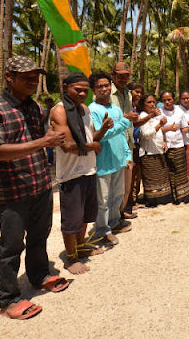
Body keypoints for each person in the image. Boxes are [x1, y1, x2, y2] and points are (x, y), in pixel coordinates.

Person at [0, 56, 70, 320]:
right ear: (9, 77)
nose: (33, 81)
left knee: (39, 236)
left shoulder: (35, 107)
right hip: (10, 191)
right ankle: (9, 299)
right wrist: (44, 142)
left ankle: (39, 275)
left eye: (35, 76)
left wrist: (50, 141)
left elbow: (42, 139)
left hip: (39, 184)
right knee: (11, 246)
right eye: (26, 76)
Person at [49, 73, 108, 275]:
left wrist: (103, 131)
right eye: (78, 89)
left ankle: (81, 248)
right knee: (72, 219)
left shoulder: (84, 110)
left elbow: (91, 137)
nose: (83, 93)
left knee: (84, 216)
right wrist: (92, 146)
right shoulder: (59, 111)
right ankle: (71, 258)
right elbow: (67, 145)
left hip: (89, 169)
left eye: (85, 90)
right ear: (65, 87)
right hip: (71, 174)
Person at [89, 71, 133, 246]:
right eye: (100, 86)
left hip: (118, 160)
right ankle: (102, 230)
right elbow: (100, 135)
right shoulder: (93, 110)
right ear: (93, 89)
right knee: (103, 200)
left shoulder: (115, 108)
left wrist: (127, 154)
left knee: (118, 194)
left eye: (106, 85)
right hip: (103, 163)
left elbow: (121, 134)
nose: (104, 89)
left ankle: (114, 222)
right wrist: (125, 121)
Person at [109, 62, 139, 221]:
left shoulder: (128, 92)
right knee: (115, 180)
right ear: (113, 75)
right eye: (120, 75)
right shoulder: (107, 92)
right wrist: (127, 117)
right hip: (113, 142)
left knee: (127, 180)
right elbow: (106, 117)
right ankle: (112, 217)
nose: (123, 78)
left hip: (128, 141)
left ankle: (121, 211)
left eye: (126, 76)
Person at [138, 93, 173, 206]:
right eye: (149, 102)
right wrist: (160, 125)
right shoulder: (143, 116)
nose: (152, 104)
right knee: (152, 178)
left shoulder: (155, 115)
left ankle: (163, 198)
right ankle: (153, 200)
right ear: (143, 105)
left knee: (161, 176)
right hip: (149, 152)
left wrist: (163, 141)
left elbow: (157, 132)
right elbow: (146, 134)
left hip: (158, 151)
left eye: (154, 102)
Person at [160, 91, 189, 204]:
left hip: (179, 145)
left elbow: (183, 128)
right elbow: (157, 129)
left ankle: (183, 196)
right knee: (170, 172)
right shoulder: (160, 113)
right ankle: (173, 197)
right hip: (166, 146)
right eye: (164, 100)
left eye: (169, 99)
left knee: (181, 171)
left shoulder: (179, 111)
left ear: (174, 99)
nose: (167, 102)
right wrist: (165, 135)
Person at [125, 82, 144, 213]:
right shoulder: (127, 108)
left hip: (138, 144)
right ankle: (128, 203)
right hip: (128, 144)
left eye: (140, 93)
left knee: (137, 174)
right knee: (129, 175)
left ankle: (134, 198)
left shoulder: (139, 108)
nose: (138, 95)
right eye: (136, 92)